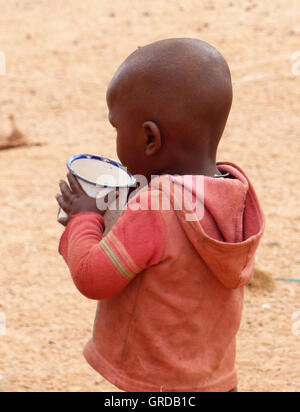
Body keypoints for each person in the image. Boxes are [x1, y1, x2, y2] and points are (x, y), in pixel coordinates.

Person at [56, 38, 265, 392]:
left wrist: (85, 216)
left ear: (150, 139)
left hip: (157, 386)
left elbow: (92, 277)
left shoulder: (155, 210)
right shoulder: (234, 192)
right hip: (215, 380)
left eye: (117, 127)